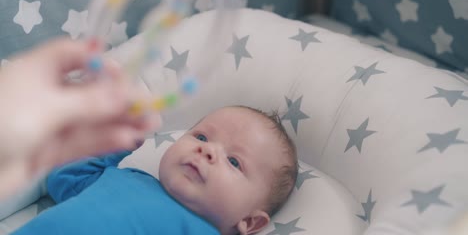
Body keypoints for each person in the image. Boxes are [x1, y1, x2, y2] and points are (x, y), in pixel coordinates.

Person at [12, 106, 299, 235]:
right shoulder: (126, 176)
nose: (207, 150)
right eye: (201, 137)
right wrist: (119, 141)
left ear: (249, 222)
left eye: (234, 161)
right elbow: (64, 179)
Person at [0, 38, 159, 200]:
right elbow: (64, 180)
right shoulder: (132, 180)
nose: (188, 151)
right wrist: (118, 150)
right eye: (188, 136)